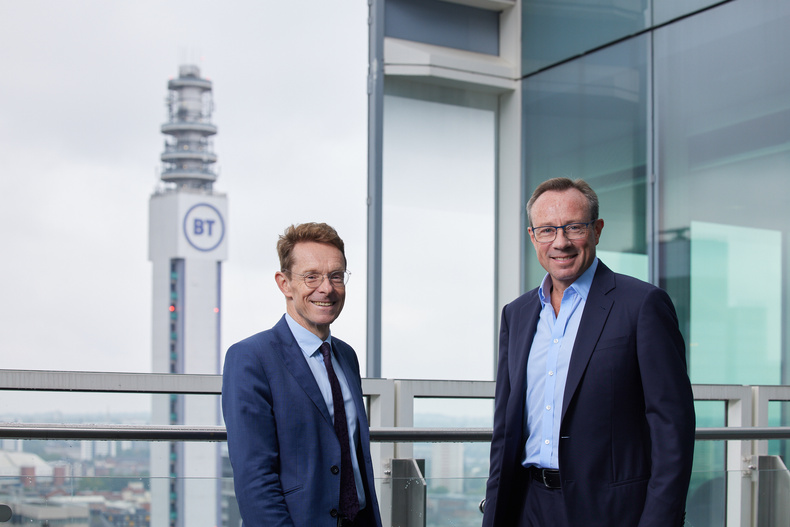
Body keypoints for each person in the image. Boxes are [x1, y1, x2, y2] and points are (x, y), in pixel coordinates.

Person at [482, 178, 696, 527]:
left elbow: (673, 426)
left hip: (612, 512)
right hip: (528, 506)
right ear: (533, 236)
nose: (561, 242)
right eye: (547, 230)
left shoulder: (641, 305)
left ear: (596, 230)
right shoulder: (516, 314)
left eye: (574, 228)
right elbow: (505, 428)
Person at [222, 222, 382, 527]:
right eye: (311, 277)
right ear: (284, 283)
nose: (326, 288)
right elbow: (255, 479)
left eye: (336, 276)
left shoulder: (346, 356)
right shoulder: (251, 358)